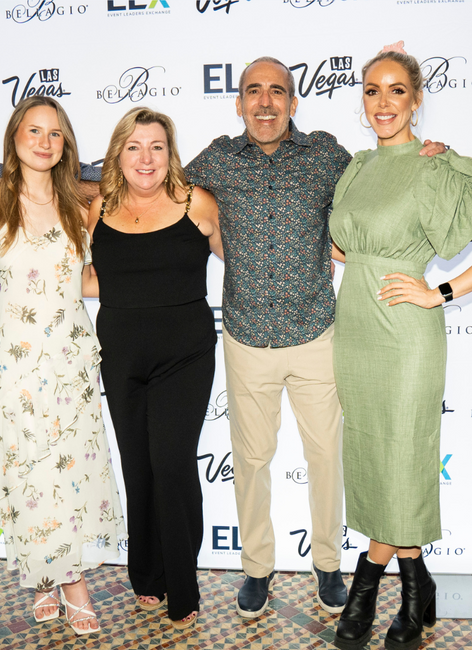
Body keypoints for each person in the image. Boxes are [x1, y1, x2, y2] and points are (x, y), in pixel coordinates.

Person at [184, 56, 446, 620]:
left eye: (277, 91)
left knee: (327, 456)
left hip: (316, 335)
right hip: (246, 336)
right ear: (238, 102)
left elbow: (382, 181)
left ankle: (328, 565)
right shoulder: (217, 159)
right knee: (251, 461)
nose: (265, 103)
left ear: (293, 102)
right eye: (254, 92)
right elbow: (152, 180)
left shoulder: (327, 155)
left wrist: (431, 156)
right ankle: (257, 568)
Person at [330, 42, 472, 650]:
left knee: (404, 456)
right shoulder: (358, 165)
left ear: (416, 100)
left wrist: (440, 291)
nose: (383, 102)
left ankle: (369, 586)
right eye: (372, 91)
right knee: (370, 453)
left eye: (396, 90)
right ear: (362, 102)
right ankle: (418, 583)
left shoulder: (436, 166)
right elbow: (345, 244)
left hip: (406, 333)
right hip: (355, 328)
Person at [0, 96, 126, 636]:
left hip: (71, 357)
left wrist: (148, 282)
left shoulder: (79, 204)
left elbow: (84, 282)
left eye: (55, 133)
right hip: (16, 361)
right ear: (14, 136)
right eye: (34, 130)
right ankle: (54, 577)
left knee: (68, 471)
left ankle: (61, 576)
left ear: (66, 145)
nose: (44, 141)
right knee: (30, 469)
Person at [87, 107, 222, 630]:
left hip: (184, 354)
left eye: (157, 147)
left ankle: (182, 582)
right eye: (135, 147)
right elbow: (90, 276)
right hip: (120, 353)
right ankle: (146, 572)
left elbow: (243, 259)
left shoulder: (196, 203)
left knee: (171, 462)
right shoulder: (99, 207)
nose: (146, 158)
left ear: (171, 154)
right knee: (137, 463)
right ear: (118, 154)